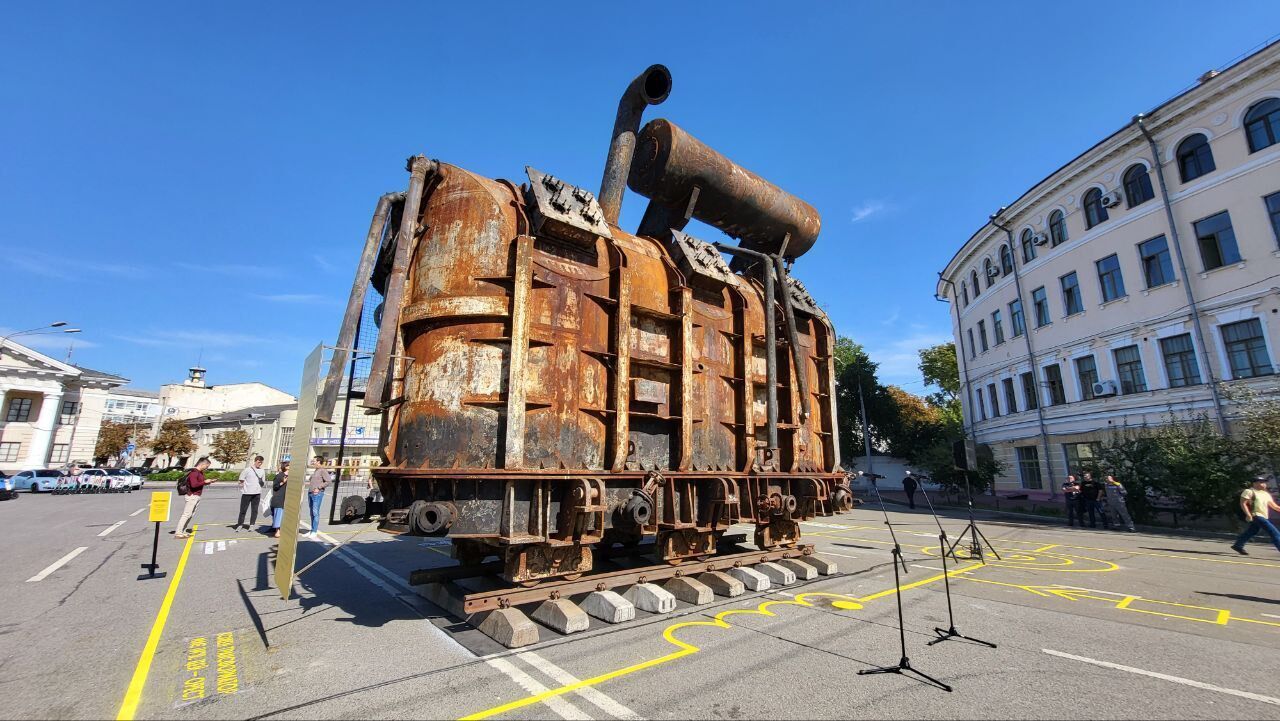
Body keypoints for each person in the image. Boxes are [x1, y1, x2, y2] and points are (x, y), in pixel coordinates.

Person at [1231, 476, 1280, 555]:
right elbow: (1243, 503)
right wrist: (1248, 514)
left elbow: (1275, 507)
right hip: (1256, 515)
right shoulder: (1249, 491)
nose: (1264, 484)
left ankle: (1238, 545)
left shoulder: (1265, 494)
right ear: (1255, 483)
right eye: (1261, 482)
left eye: (1264, 482)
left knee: (1252, 531)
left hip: (1263, 516)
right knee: (1275, 533)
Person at [174, 457, 214, 539]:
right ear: (202, 464)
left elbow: (198, 483)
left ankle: (183, 531)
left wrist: (207, 482)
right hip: (192, 496)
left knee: (190, 515)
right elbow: (194, 485)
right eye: (207, 466)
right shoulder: (194, 472)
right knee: (186, 514)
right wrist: (204, 482)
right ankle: (178, 532)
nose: (207, 468)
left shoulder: (199, 472)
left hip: (196, 495)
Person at [234, 455, 266, 531]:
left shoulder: (262, 471)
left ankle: (252, 525)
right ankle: (240, 524)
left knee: (254, 510)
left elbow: (263, 482)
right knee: (243, 510)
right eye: (258, 462)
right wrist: (244, 486)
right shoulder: (247, 470)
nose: (260, 464)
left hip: (257, 493)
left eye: (261, 463)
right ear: (255, 461)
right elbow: (241, 480)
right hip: (247, 493)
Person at [306, 457, 332, 539]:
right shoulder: (316, 470)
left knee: (315, 512)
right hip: (310, 493)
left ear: (318, 461)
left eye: (313, 461)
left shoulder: (322, 470)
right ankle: (312, 530)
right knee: (311, 512)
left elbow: (328, 481)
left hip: (317, 494)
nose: (312, 462)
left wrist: (318, 488)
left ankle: (314, 531)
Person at [269, 461, 289, 538]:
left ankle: (283, 529)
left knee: (284, 515)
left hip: (287, 498)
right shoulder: (279, 476)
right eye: (289, 465)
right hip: (280, 498)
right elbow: (275, 487)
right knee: (279, 514)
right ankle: (277, 531)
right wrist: (282, 482)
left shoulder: (291, 476)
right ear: (286, 467)